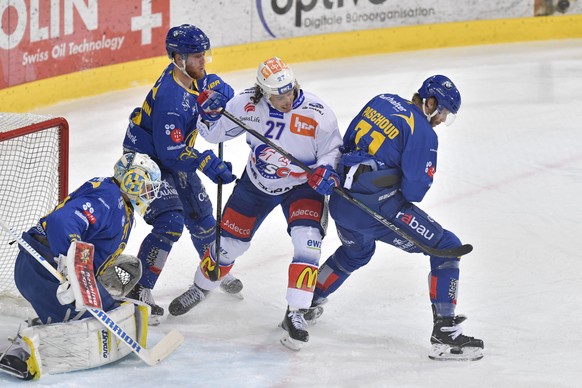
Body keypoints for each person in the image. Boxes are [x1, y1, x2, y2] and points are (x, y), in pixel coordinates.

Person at [303, 75, 484, 360]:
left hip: (341, 203)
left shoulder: (381, 100)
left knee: (357, 252)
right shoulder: (423, 132)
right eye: (443, 112)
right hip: (376, 208)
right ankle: (445, 334)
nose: (441, 120)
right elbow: (414, 192)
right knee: (447, 247)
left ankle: (305, 302)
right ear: (431, 102)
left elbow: (346, 143)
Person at [169, 57, 343, 350]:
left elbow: (333, 151)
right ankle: (200, 287)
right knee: (229, 246)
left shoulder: (318, 112)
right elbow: (214, 135)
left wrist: (327, 169)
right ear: (263, 92)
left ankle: (296, 312)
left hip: (302, 187)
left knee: (308, 243)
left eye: (290, 92)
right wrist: (209, 116)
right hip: (257, 184)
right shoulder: (246, 104)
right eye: (278, 96)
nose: (286, 100)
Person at [0, 152, 162, 380]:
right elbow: (62, 222)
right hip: (43, 268)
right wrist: (73, 269)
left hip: (46, 266)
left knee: (109, 311)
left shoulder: (116, 199)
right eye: (146, 186)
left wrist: (94, 268)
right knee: (94, 322)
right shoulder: (108, 198)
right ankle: (21, 352)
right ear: (132, 180)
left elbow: (91, 237)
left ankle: (50, 326)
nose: (149, 193)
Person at [121, 24, 243, 324]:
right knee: (170, 221)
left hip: (169, 158)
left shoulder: (193, 79)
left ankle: (211, 269)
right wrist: (206, 162)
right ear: (177, 57)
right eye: (196, 56)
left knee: (202, 215)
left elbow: (212, 102)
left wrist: (220, 100)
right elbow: (170, 153)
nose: (203, 62)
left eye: (204, 55)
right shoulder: (171, 99)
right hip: (145, 162)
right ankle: (139, 289)